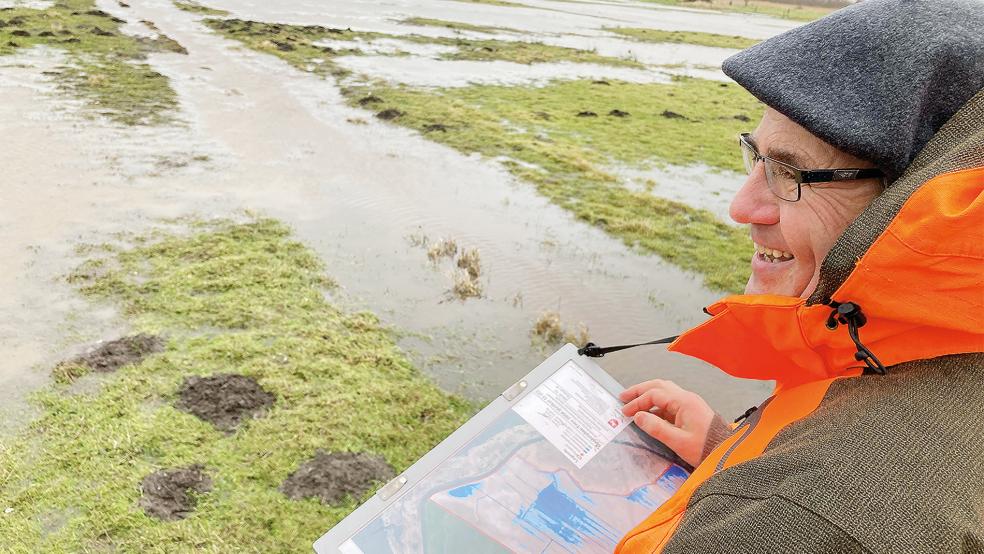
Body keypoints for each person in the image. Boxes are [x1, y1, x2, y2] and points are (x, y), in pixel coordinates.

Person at [614, 0, 984, 552]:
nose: (743, 206)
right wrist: (729, 450)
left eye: (790, 172)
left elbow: (836, 504)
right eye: (756, 157)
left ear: (910, 204)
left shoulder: (811, 512)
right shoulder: (920, 354)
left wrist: (769, 502)